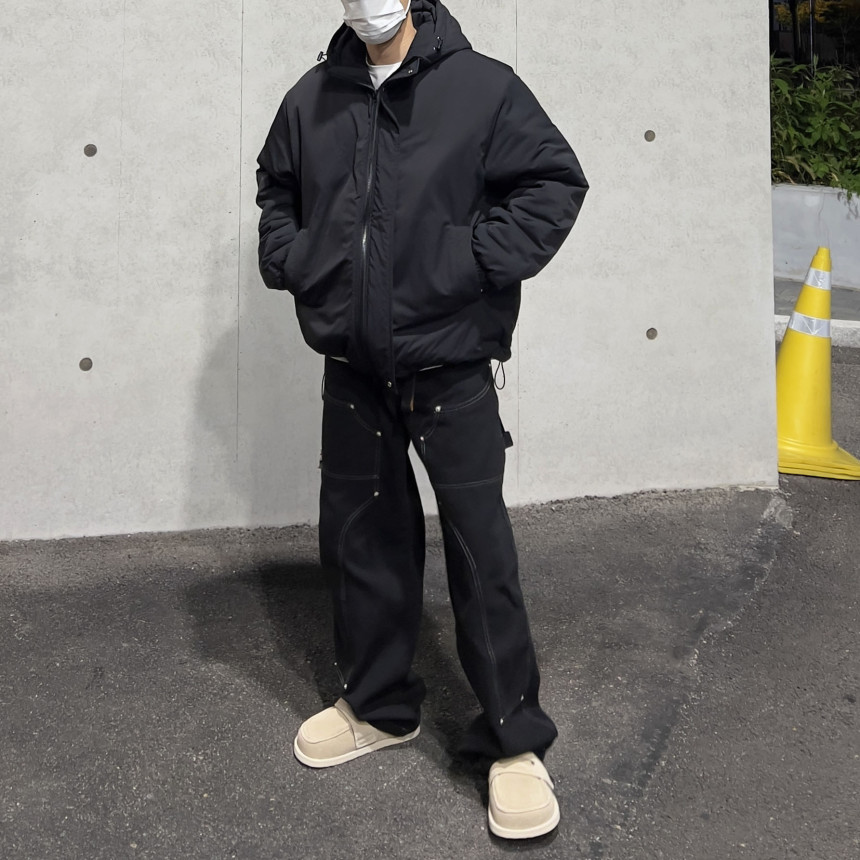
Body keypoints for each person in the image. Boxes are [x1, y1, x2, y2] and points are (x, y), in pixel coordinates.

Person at [256, 0, 587, 840]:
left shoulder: (483, 89)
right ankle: (378, 704)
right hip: (353, 367)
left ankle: (514, 740)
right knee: (360, 538)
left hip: (451, 364)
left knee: (480, 550)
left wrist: (466, 260)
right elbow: (277, 191)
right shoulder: (311, 99)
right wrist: (296, 259)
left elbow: (553, 183)